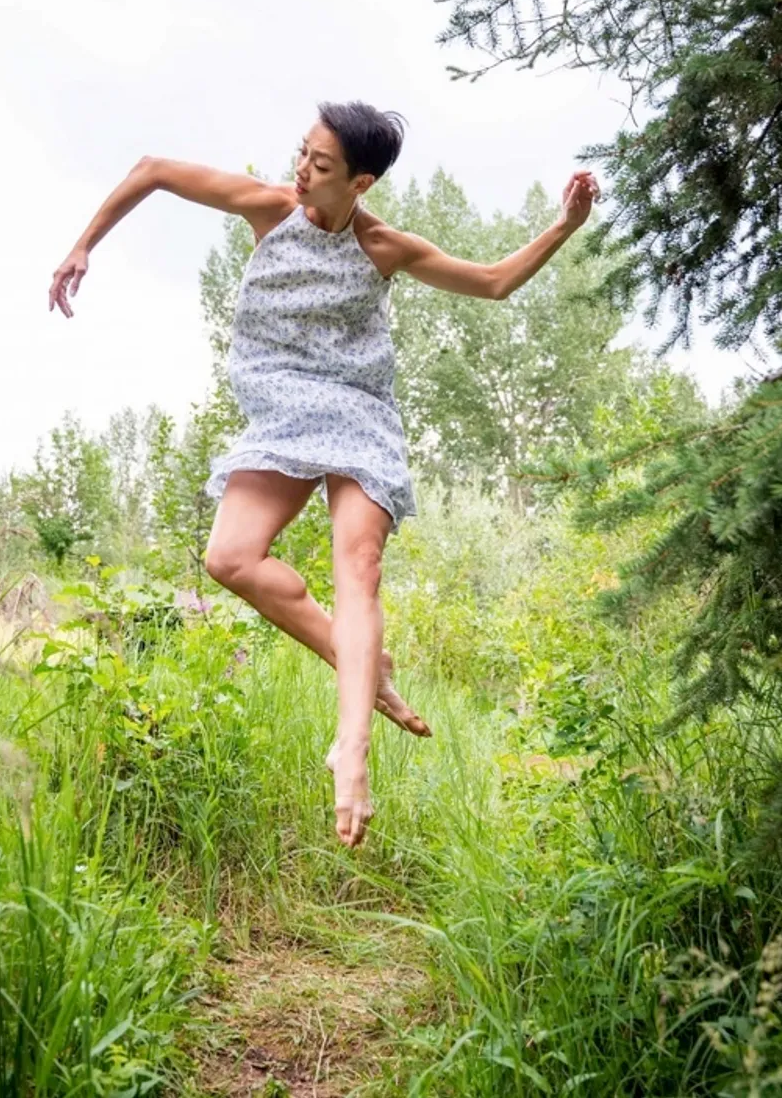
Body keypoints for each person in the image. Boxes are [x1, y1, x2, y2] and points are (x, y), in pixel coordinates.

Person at [48, 100, 600, 849]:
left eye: (321, 164)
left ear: (361, 182)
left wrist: (564, 226)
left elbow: (494, 282)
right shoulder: (270, 208)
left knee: (359, 566)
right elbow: (153, 171)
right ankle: (358, 662)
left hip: (358, 412)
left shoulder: (384, 247)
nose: (302, 171)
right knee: (228, 558)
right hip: (281, 409)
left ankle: (353, 752)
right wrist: (83, 246)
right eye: (302, 153)